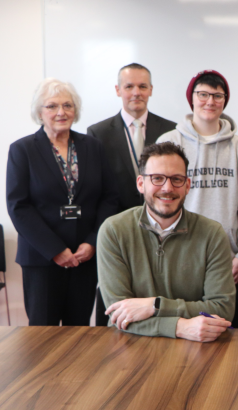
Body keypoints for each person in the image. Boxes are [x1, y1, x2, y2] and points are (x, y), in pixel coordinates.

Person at [6, 78, 119, 326]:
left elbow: (110, 199)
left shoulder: (93, 147)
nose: (61, 112)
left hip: (84, 257)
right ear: (39, 112)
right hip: (41, 258)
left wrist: (93, 242)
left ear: (75, 110)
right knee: (43, 333)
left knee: (78, 331)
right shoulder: (22, 149)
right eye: (52, 106)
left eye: (68, 105)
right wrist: (55, 250)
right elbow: (18, 206)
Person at [97, 142, 235, 341]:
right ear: (141, 183)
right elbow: (119, 314)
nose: (167, 188)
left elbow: (222, 309)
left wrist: (155, 305)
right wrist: (179, 326)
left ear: (187, 185)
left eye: (176, 179)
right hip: (129, 346)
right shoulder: (113, 231)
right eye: (157, 178)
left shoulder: (212, 234)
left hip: (197, 351)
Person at [157, 70, 238, 328]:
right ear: (191, 99)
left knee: (223, 330)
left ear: (224, 101)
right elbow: (156, 200)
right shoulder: (169, 142)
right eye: (203, 94)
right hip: (176, 255)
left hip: (227, 258)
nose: (210, 101)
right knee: (179, 327)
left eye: (217, 95)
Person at [87, 63, 177, 326]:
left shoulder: (170, 129)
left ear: (151, 90)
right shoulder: (97, 133)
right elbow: (98, 189)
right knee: (117, 297)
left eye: (142, 86)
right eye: (129, 86)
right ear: (118, 90)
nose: (136, 92)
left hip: (162, 228)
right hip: (120, 232)